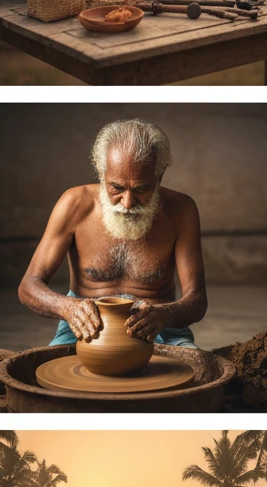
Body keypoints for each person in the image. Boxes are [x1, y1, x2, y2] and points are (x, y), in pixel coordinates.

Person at [18, 117, 207, 347]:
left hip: (160, 328)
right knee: (43, 378)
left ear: (160, 176)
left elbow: (196, 300)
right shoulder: (74, 204)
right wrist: (67, 307)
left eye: (142, 189)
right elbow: (28, 286)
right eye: (116, 187)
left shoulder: (181, 210)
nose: (127, 202)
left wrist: (163, 315)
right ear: (100, 170)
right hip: (83, 329)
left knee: (200, 375)